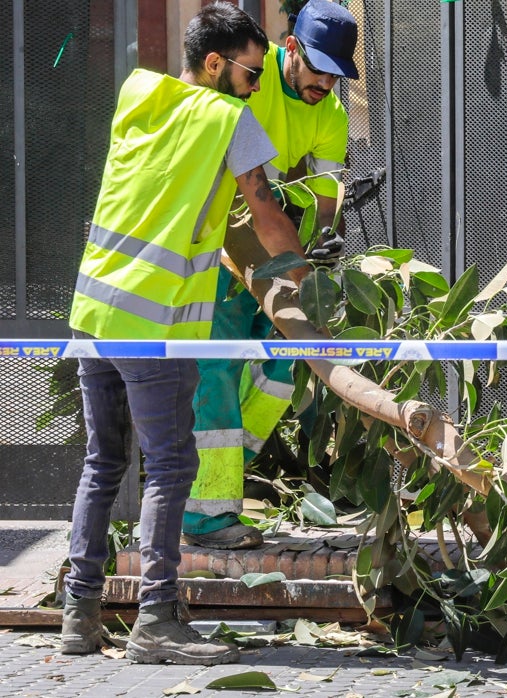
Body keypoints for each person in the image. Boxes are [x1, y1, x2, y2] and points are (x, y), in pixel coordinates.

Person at [60, 3, 307, 665]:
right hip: (152, 322)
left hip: (94, 312)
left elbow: (171, 195)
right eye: (254, 74)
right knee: (171, 467)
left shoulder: (139, 93)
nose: (259, 86)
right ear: (217, 64)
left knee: (103, 463)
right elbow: (263, 213)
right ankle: (157, 619)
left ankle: (79, 619)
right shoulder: (230, 118)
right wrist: (308, 277)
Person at [182, 0, 358, 551]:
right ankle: (205, 515)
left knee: (282, 373)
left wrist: (325, 239)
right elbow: (246, 201)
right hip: (224, 254)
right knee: (217, 370)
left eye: (337, 75)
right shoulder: (245, 90)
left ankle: (220, 472)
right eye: (319, 69)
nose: (326, 85)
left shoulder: (331, 114)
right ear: (293, 50)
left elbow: (326, 192)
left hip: (278, 254)